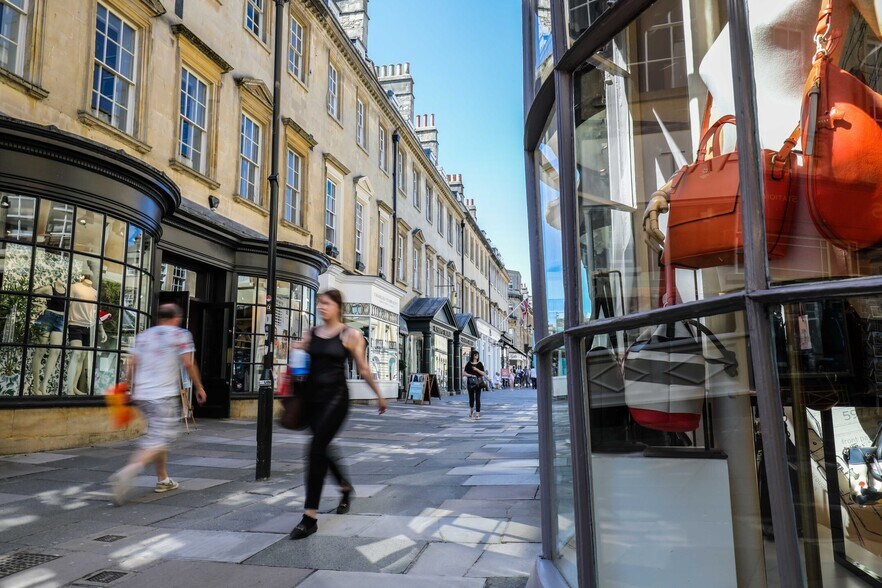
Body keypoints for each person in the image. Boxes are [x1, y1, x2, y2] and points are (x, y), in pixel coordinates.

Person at [289, 289, 387, 540]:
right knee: (322, 447)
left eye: (327, 303)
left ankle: (310, 517)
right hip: (312, 399)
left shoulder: (350, 334)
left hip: (336, 399)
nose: (322, 307)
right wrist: (294, 351)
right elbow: (298, 359)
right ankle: (344, 487)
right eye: (320, 303)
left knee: (316, 448)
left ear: (338, 307)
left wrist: (379, 394)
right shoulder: (311, 332)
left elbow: (363, 368)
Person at [109, 303, 206, 505]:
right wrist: (199, 387)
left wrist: (128, 387)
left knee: (157, 435)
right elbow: (188, 364)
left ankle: (163, 479)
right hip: (163, 396)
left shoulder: (144, 336)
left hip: (142, 395)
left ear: (159, 317)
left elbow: (132, 363)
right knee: (158, 437)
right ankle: (128, 472)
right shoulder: (180, 335)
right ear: (177, 318)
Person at [463, 350, 487, 420]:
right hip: (470, 383)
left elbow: (483, 373)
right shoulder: (469, 364)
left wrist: (476, 369)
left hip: (478, 383)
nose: (477, 356)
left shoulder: (480, 364)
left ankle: (477, 413)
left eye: (477, 355)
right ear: (473, 355)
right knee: (471, 397)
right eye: (476, 355)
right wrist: (471, 375)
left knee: (478, 398)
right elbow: (464, 373)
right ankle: (471, 410)